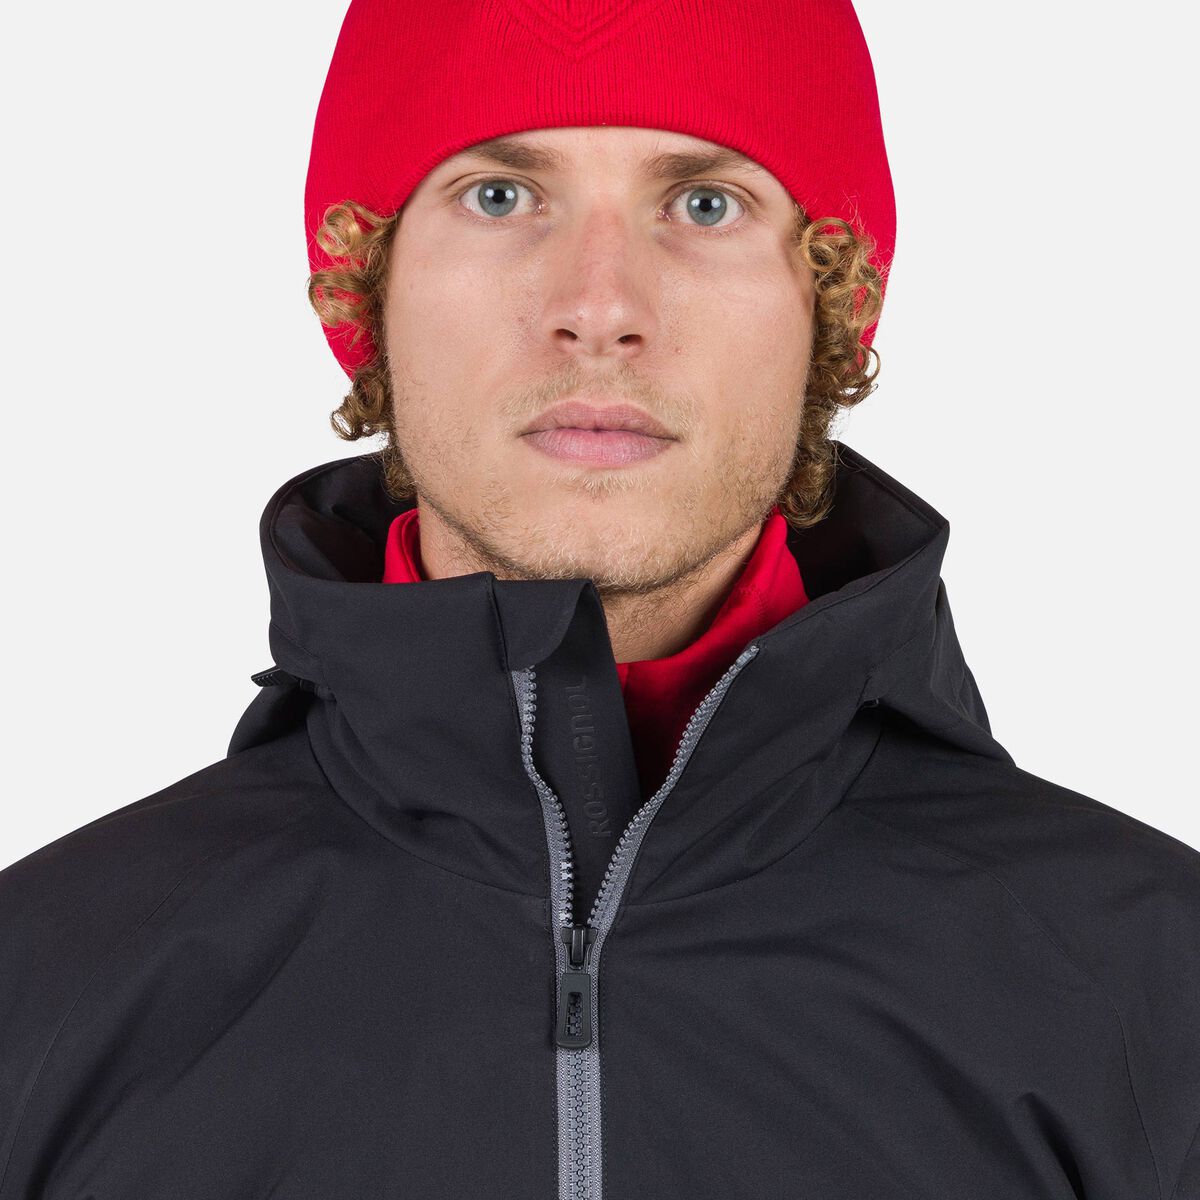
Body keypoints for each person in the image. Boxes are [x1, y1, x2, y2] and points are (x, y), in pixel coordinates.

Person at [2, 0, 1197, 1196]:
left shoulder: (1155, 986)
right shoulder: (43, 986)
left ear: (829, 301)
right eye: (500, 196)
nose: (601, 307)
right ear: (367, 282)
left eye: (705, 203)